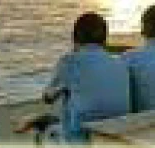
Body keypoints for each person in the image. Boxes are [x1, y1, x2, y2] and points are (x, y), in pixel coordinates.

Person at [42, 12, 130, 142]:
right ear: (105, 39)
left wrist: (63, 89)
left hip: (81, 137)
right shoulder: (120, 63)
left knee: (48, 128)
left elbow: (47, 97)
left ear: (74, 38)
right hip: (116, 134)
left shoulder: (69, 61)